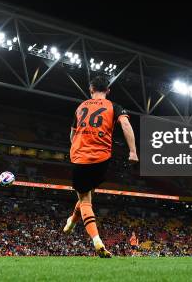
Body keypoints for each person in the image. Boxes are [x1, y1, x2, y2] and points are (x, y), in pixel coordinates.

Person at [62, 75, 138, 258]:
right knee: (88, 193)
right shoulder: (114, 106)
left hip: (80, 158)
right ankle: (72, 220)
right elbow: (126, 124)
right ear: (108, 90)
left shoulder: (81, 107)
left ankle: (97, 241)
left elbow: (72, 135)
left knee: (85, 199)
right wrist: (133, 151)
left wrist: (77, 145)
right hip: (102, 159)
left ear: (90, 90)